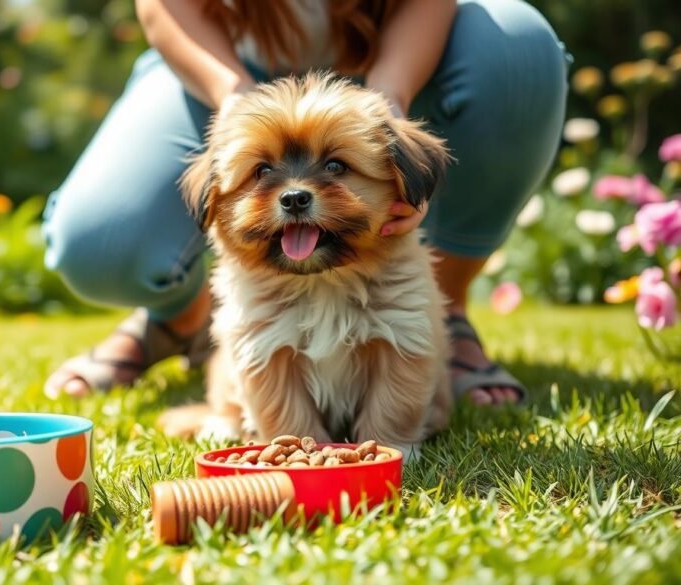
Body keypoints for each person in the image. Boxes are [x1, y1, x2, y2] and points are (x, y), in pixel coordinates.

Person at [42, 0, 568, 406]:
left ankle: (440, 313)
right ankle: (188, 322)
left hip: (400, 50)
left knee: (518, 45)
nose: (297, 191)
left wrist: (389, 100)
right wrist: (230, 96)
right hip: (218, 59)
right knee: (99, 242)